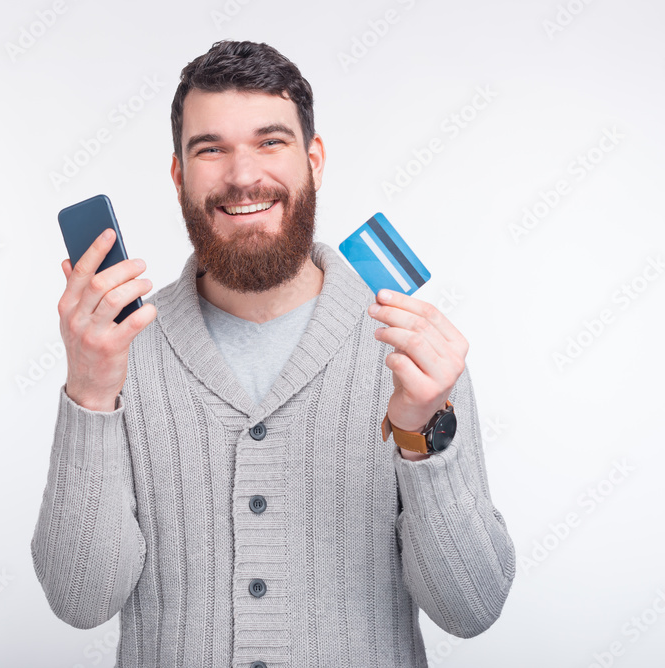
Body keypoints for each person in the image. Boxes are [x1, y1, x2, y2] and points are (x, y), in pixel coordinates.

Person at [32, 39, 515, 667]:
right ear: (178, 174)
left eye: (270, 141)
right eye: (211, 149)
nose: (242, 175)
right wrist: (90, 393)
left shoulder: (410, 350)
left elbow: (471, 607)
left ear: (313, 159)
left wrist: (423, 434)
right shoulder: (120, 350)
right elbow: (79, 600)